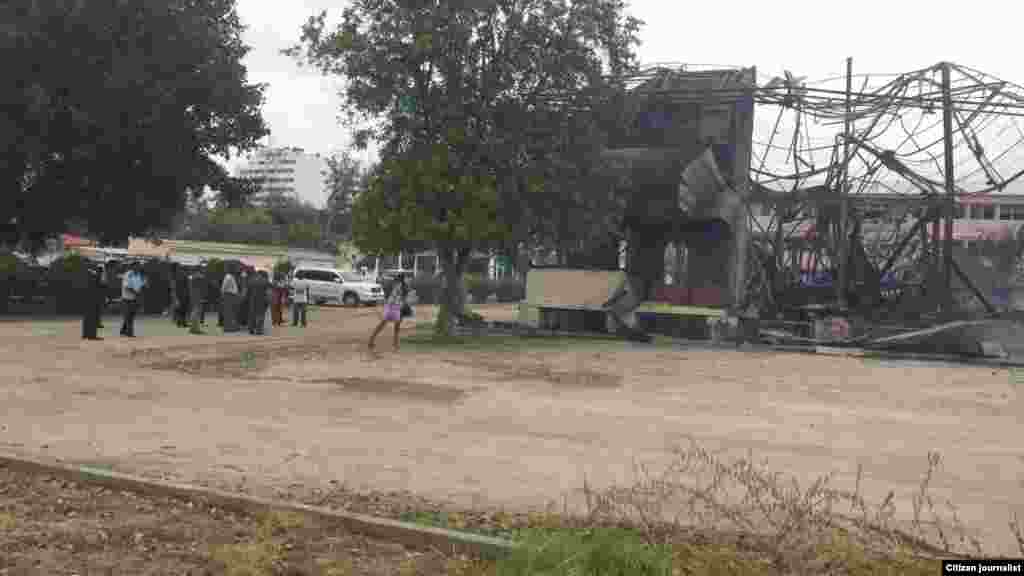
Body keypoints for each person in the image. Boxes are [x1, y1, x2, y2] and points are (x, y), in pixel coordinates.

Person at [368, 274, 409, 352]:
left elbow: (401, 298)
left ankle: (372, 340)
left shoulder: (399, 286)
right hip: (393, 307)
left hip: (393, 307)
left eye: (397, 279)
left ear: (399, 280)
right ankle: (394, 344)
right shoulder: (400, 286)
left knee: (385, 325)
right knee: (393, 326)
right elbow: (402, 298)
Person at [120, 263, 144, 337]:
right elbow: (127, 287)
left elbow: (140, 285)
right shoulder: (128, 274)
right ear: (132, 267)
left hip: (135, 298)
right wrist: (136, 293)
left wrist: (140, 292)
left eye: (139, 266)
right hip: (127, 298)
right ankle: (129, 333)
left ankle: (123, 330)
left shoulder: (139, 275)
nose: (138, 267)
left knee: (131, 315)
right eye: (137, 266)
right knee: (128, 316)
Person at [81, 266, 102, 340]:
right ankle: (92, 335)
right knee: (92, 318)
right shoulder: (93, 275)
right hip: (93, 299)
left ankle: (85, 334)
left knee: (87, 318)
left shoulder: (86, 274)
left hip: (87, 299)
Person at [220, 267, 240, 333]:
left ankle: (231, 327)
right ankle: (228, 328)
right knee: (228, 312)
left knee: (231, 312)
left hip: (231, 295)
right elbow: (223, 287)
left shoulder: (230, 276)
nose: (236, 270)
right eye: (234, 269)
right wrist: (223, 294)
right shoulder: (228, 277)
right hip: (229, 296)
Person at [188, 267, 206, 335]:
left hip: (193, 295)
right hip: (197, 295)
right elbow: (201, 280)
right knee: (197, 311)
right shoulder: (197, 277)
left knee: (194, 311)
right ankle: (195, 328)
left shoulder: (191, 277)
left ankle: (193, 328)